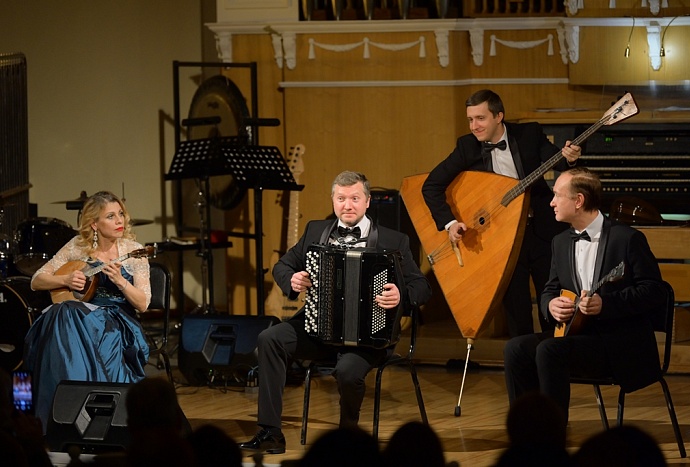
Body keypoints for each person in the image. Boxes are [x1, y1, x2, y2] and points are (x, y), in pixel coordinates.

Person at [239, 171, 432, 454]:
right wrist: (292, 280)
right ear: (333, 200)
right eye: (341, 199)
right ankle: (270, 432)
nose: (347, 205)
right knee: (270, 338)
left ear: (367, 201)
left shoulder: (394, 241)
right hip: (318, 331)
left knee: (347, 372)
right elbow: (282, 266)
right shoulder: (315, 231)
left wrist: (401, 296)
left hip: (369, 339)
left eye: (354, 198)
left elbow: (422, 286)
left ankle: (348, 440)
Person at [503, 167, 666, 425]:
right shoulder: (560, 242)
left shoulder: (627, 238)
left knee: (549, 350)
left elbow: (654, 291)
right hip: (576, 336)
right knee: (516, 348)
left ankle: (552, 434)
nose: (552, 202)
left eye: (558, 195)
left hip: (619, 344)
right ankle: (527, 430)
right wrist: (551, 305)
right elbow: (549, 290)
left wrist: (606, 304)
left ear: (578, 201)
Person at [422, 89, 581, 337]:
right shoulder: (467, 147)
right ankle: (523, 359)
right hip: (502, 240)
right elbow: (431, 186)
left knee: (553, 304)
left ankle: (555, 356)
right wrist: (450, 223)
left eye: (480, 118)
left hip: (542, 232)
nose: (474, 126)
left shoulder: (529, 134)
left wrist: (570, 158)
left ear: (499, 116)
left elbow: (559, 162)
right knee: (517, 311)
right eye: (470, 119)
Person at [23, 191, 151, 430]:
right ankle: (61, 417)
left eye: (120, 214)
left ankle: (76, 416)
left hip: (118, 322)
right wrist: (66, 280)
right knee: (62, 313)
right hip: (78, 319)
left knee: (64, 314)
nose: (119, 221)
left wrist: (121, 282)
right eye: (110, 216)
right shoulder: (76, 247)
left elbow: (143, 304)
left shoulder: (134, 251)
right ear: (94, 224)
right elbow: (37, 280)